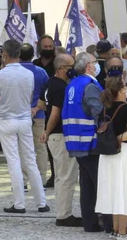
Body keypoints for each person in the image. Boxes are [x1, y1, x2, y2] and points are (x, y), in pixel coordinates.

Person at [0, 40, 48, 214]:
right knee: (30, 160)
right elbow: (29, 97)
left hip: (7, 119)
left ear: (5, 55)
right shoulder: (28, 74)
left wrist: (1, 100)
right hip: (24, 119)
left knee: (13, 161)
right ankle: (41, 202)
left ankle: (19, 203)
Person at [62, 52, 113, 233]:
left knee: (87, 186)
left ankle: (90, 223)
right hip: (90, 142)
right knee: (102, 184)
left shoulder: (72, 84)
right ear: (89, 66)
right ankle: (110, 224)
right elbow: (98, 111)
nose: (97, 65)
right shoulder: (90, 85)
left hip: (76, 143)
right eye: (94, 62)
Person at [38, 54, 82, 227]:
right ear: (62, 68)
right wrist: (47, 131)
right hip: (60, 135)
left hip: (54, 137)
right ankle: (64, 215)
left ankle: (62, 212)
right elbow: (55, 113)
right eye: (71, 66)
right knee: (67, 176)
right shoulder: (61, 87)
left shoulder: (49, 83)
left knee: (60, 176)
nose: (73, 69)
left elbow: (42, 104)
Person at [95, 74, 127, 238]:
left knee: (112, 191)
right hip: (123, 152)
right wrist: (117, 140)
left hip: (106, 154)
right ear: (121, 90)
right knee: (123, 192)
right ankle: (123, 231)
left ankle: (115, 230)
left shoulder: (104, 109)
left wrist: (110, 141)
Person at [19, 43, 49, 187]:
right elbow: (46, 93)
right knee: (40, 147)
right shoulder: (41, 72)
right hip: (39, 114)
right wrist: (37, 107)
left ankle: (22, 181)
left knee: (21, 148)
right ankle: (41, 179)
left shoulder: (13, 72)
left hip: (19, 115)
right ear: (33, 55)